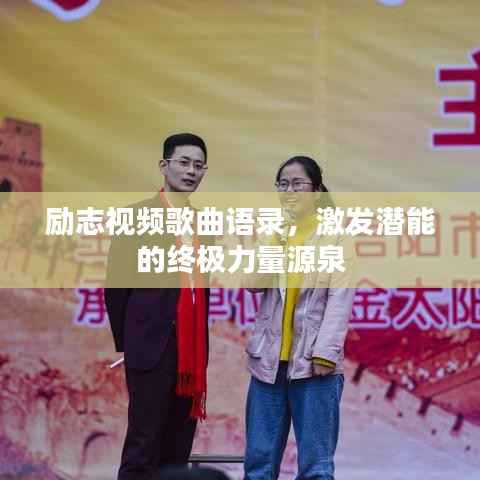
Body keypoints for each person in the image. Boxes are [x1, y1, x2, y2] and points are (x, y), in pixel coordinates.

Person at [105, 133, 211, 480]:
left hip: (191, 353)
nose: (191, 171)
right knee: (143, 444)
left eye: (199, 165)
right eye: (184, 162)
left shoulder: (203, 223)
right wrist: (131, 342)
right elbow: (116, 288)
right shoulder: (137, 216)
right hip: (150, 347)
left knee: (178, 449)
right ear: (164, 166)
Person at [243, 156, 355, 480]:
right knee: (259, 464)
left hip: (314, 364)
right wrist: (274, 240)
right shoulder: (274, 235)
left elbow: (339, 299)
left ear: (317, 191)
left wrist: (325, 353)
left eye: (297, 184)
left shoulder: (336, 238)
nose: (289, 191)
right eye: (283, 184)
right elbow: (252, 283)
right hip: (269, 363)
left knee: (316, 467)